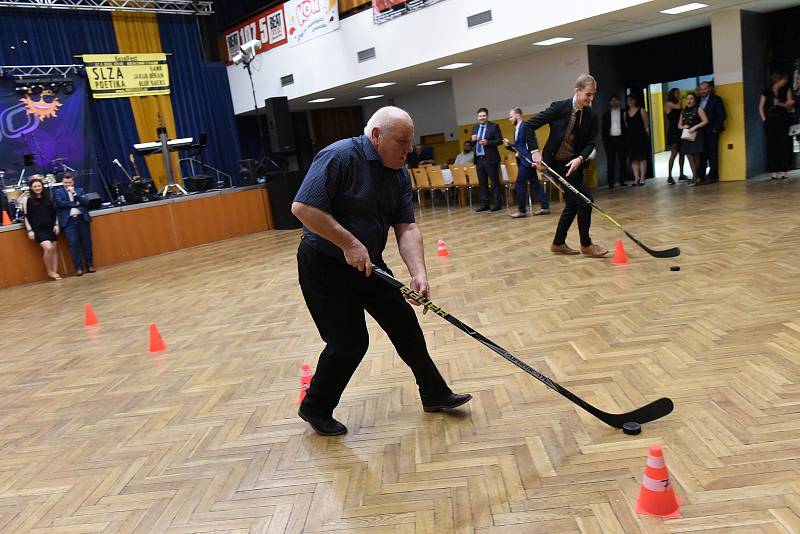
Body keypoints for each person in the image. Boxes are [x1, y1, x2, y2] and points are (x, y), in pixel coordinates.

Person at [290, 106, 471, 436]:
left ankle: (434, 393)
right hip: (324, 266)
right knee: (349, 342)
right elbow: (303, 208)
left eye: (410, 142)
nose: (409, 150)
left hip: (367, 263)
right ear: (375, 136)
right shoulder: (339, 157)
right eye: (401, 141)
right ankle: (315, 406)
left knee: (404, 323)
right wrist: (348, 243)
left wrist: (419, 273)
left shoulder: (399, 173)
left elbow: (406, 227)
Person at [524, 74, 607, 258]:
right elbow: (528, 126)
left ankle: (558, 243)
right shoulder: (559, 107)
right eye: (588, 94)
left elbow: (592, 141)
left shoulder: (591, 114)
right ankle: (586, 245)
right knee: (585, 201)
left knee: (572, 204)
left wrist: (580, 158)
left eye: (593, 95)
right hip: (554, 164)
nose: (591, 99)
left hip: (574, 164)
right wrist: (534, 151)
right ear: (577, 90)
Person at [504, 107, 550, 217]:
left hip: (527, 162)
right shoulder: (517, 129)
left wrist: (533, 160)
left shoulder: (525, 126)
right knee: (535, 184)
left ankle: (522, 210)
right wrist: (509, 145)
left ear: (517, 115)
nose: (509, 119)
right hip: (524, 161)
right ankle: (545, 207)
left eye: (511, 116)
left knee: (520, 184)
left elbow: (531, 144)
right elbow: (519, 148)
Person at [53, 173, 95, 276]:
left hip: (82, 220)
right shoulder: (58, 192)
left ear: (73, 182)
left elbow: (86, 202)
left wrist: (75, 194)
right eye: (66, 183)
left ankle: (89, 265)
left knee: (87, 243)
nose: (68, 184)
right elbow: (60, 203)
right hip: (69, 222)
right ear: (62, 182)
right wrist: (75, 204)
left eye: (70, 182)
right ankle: (78, 268)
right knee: (73, 244)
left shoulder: (79, 190)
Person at [759, 71, 796, 180]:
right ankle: (774, 171)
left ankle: (784, 171)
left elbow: (789, 107)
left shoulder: (786, 89)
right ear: (777, 79)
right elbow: (760, 107)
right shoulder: (766, 91)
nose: (785, 81)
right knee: (772, 145)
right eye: (783, 79)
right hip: (770, 121)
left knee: (784, 144)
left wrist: (780, 104)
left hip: (783, 120)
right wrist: (764, 120)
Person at [24, 176, 61, 281]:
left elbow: (55, 213)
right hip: (38, 229)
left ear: (42, 186)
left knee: (53, 250)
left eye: (39, 186)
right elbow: (26, 217)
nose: (37, 188)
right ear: (31, 188)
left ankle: (54, 272)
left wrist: (57, 224)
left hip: (51, 227)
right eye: (35, 186)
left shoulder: (48, 198)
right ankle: (49, 271)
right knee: (48, 248)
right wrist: (30, 230)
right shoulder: (28, 200)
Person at [471, 107, 504, 212]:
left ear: (487, 116)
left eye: (484, 116)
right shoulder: (475, 127)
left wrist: (488, 142)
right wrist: (471, 140)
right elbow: (471, 143)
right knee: (482, 183)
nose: (482, 118)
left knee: (494, 182)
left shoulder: (494, 126)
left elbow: (500, 140)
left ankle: (497, 204)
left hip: (490, 159)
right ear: (477, 117)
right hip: (479, 159)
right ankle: (485, 204)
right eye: (480, 116)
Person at [697, 81, 726, 183]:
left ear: (709, 88)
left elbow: (722, 115)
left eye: (704, 89)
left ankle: (712, 175)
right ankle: (701, 175)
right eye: (701, 89)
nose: (703, 91)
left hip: (712, 131)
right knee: (702, 153)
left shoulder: (716, 99)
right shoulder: (697, 100)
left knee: (713, 153)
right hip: (700, 131)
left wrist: (715, 129)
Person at [678, 92, 709, 186]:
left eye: (691, 98)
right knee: (689, 157)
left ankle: (696, 177)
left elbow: (705, 121)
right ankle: (695, 177)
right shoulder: (683, 111)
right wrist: (683, 127)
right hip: (687, 135)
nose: (689, 101)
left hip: (697, 134)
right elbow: (679, 125)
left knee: (696, 157)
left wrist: (695, 127)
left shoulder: (699, 109)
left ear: (695, 100)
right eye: (687, 99)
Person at [624, 94, 650, 186]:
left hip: (641, 137)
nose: (630, 102)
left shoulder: (641, 110)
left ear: (635, 100)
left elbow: (646, 124)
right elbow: (626, 125)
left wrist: (641, 132)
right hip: (631, 138)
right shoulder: (625, 113)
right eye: (628, 100)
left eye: (631, 100)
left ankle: (642, 178)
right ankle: (636, 178)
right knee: (634, 159)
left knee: (642, 158)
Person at [601, 95, 626, 188]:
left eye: (616, 100)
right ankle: (610, 182)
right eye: (612, 100)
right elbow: (603, 129)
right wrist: (605, 141)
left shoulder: (624, 112)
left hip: (621, 139)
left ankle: (622, 180)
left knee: (622, 160)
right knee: (611, 161)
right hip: (610, 140)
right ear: (610, 102)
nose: (614, 102)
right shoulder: (606, 114)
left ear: (619, 101)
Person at [665, 88, 687, 184]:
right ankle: (669, 176)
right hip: (673, 130)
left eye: (679, 93)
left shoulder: (679, 102)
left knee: (682, 153)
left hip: (680, 129)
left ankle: (681, 174)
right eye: (677, 93)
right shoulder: (668, 103)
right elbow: (678, 107)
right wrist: (681, 99)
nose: (678, 94)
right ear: (672, 94)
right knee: (674, 153)